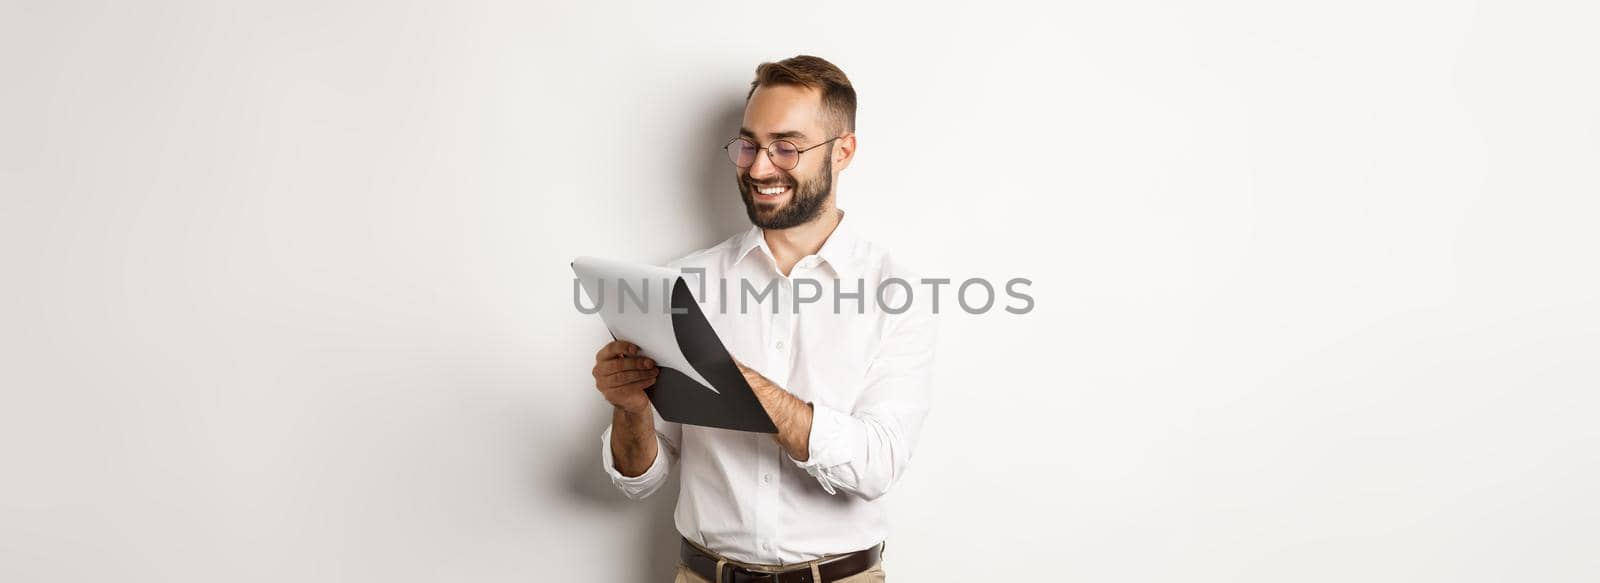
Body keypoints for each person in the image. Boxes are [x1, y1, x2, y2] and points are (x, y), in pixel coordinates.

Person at [591, 55, 935, 583]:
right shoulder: (684, 282)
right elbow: (640, 479)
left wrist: (745, 390)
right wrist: (631, 409)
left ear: (843, 152)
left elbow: (878, 463)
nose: (757, 167)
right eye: (749, 144)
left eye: (786, 147)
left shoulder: (897, 292)